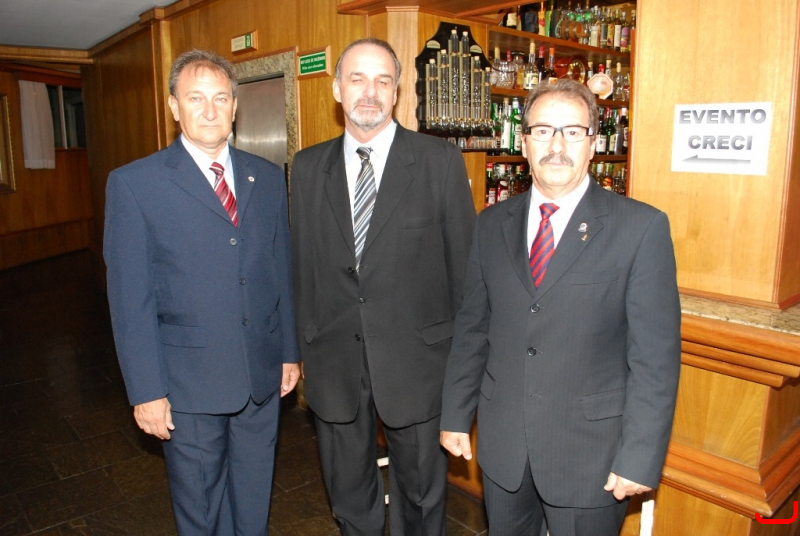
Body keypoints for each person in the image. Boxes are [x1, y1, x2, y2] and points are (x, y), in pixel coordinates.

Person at [440, 79, 681, 536]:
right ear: (524, 143)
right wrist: (455, 413)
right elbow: (473, 327)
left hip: (591, 457)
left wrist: (639, 457)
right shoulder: (491, 224)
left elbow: (655, 360)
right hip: (504, 447)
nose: (557, 145)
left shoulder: (640, 229)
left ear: (593, 143)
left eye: (572, 132)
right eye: (543, 130)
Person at [103, 49, 300, 535]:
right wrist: (147, 391)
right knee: (201, 510)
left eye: (220, 98)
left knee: (252, 500)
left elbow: (280, 270)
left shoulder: (266, 177)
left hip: (260, 377)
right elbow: (130, 302)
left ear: (235, 106)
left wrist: (288, 353)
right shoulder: (135, 184)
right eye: (195, 98)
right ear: (174, 106)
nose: (210, 110)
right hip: (187, 386)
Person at [290, 38, 476, 535]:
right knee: (348, 496)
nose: (369, 92)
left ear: (397, 93)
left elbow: (464, 274)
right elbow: (302, 266)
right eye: (357, 79)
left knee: (421, 498)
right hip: (334, 362)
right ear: (337, 89)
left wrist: (465, 369)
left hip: (419, 365)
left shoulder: (439, 161)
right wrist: (300, 351)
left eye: (382, 80)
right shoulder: (307, 167)